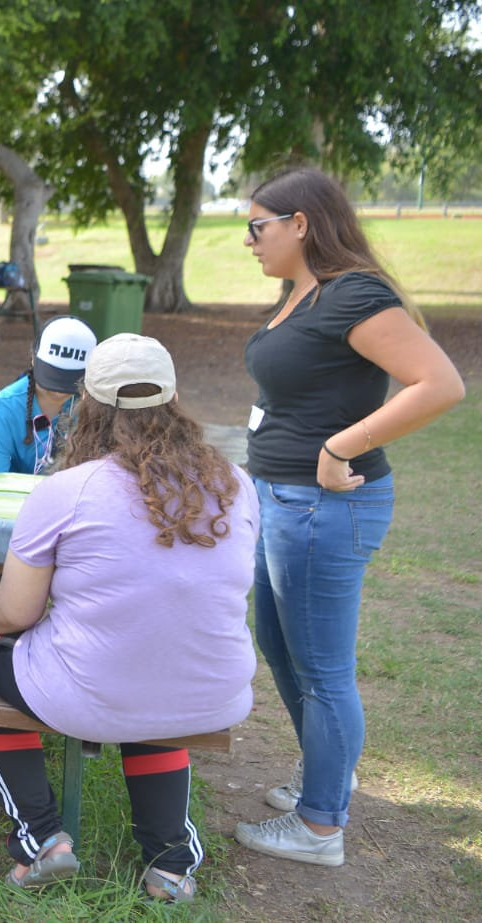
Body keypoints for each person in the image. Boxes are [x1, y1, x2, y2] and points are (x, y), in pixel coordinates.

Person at [0, 333, 259, 902]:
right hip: (211, 688)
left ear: (89, 406)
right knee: (152, 677)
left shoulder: (66, 491)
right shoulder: (236, 483)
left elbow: (17, 612)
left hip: (98, 691)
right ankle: (170, 865)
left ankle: (44, 838)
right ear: (175, 400)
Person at [233, 167, 464, 867]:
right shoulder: (299, 292)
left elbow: (440, 383)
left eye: (257, 226)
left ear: (300, 223)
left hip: (323, 506)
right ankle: (327, 774)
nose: (249, 240)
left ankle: (320, 825)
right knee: (280, 645)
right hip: (283, 500)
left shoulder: (354, 292)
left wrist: (341, 445)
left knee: (324, 668)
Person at [0, 317, 98, 474]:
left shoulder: (99, 407)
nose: (59, 391)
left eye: (70, 379)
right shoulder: (2, 408)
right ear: (33, 358)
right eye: (52, 375)